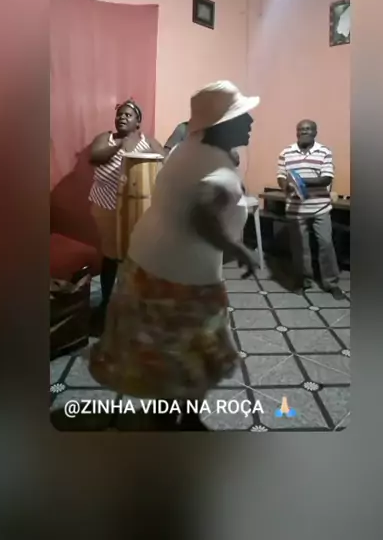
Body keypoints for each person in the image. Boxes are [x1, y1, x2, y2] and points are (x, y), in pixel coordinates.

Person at [89, 81, 259, 431]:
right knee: (191, 349)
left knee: (171, 350)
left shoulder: (187, 149)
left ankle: (170, 414)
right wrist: (238, 249)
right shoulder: (210, 162)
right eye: (242, 116)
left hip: (153, 262)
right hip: (181, 276)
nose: (250, 121)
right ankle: (179, 420)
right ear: (221, 124)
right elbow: (201, 216)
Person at [89, 99, 165, 308]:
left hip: (136, 208)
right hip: (106, 206)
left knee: (135, 254)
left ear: (138, 122)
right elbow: (94, 157)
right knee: (111, 254)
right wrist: (120, 145)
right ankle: (106, 302)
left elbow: (164, 159)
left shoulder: (148, 141)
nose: (122, 117)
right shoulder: (106, 138)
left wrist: (145, 155)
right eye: (119, 115)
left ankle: (133, 299)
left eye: (128, 115)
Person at [277, 120, 343, 299]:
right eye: (300, 129)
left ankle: (331, 283)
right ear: (296, 132)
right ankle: (302, 281)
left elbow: (326, 178)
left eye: (308, 129)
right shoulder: (286, 152)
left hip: (320, 208)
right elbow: (281, 176)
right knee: (300, 248)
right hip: (295, 210)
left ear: (315, 132)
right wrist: (285, 186)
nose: (304, 132)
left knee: (326, 244)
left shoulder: (324, 152)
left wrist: (298, 181)